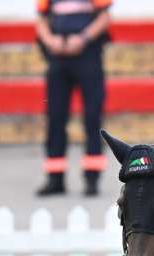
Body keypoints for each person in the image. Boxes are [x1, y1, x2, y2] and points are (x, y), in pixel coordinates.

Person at [35, 0, 112, 197]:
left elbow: (104, 17)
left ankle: (92, 179)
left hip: (88, 55)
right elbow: (41, 20)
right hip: (58, 57)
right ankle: (55, 178)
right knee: (56, 118)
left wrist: (83, 38)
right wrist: (51, 40)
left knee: (92, 118)